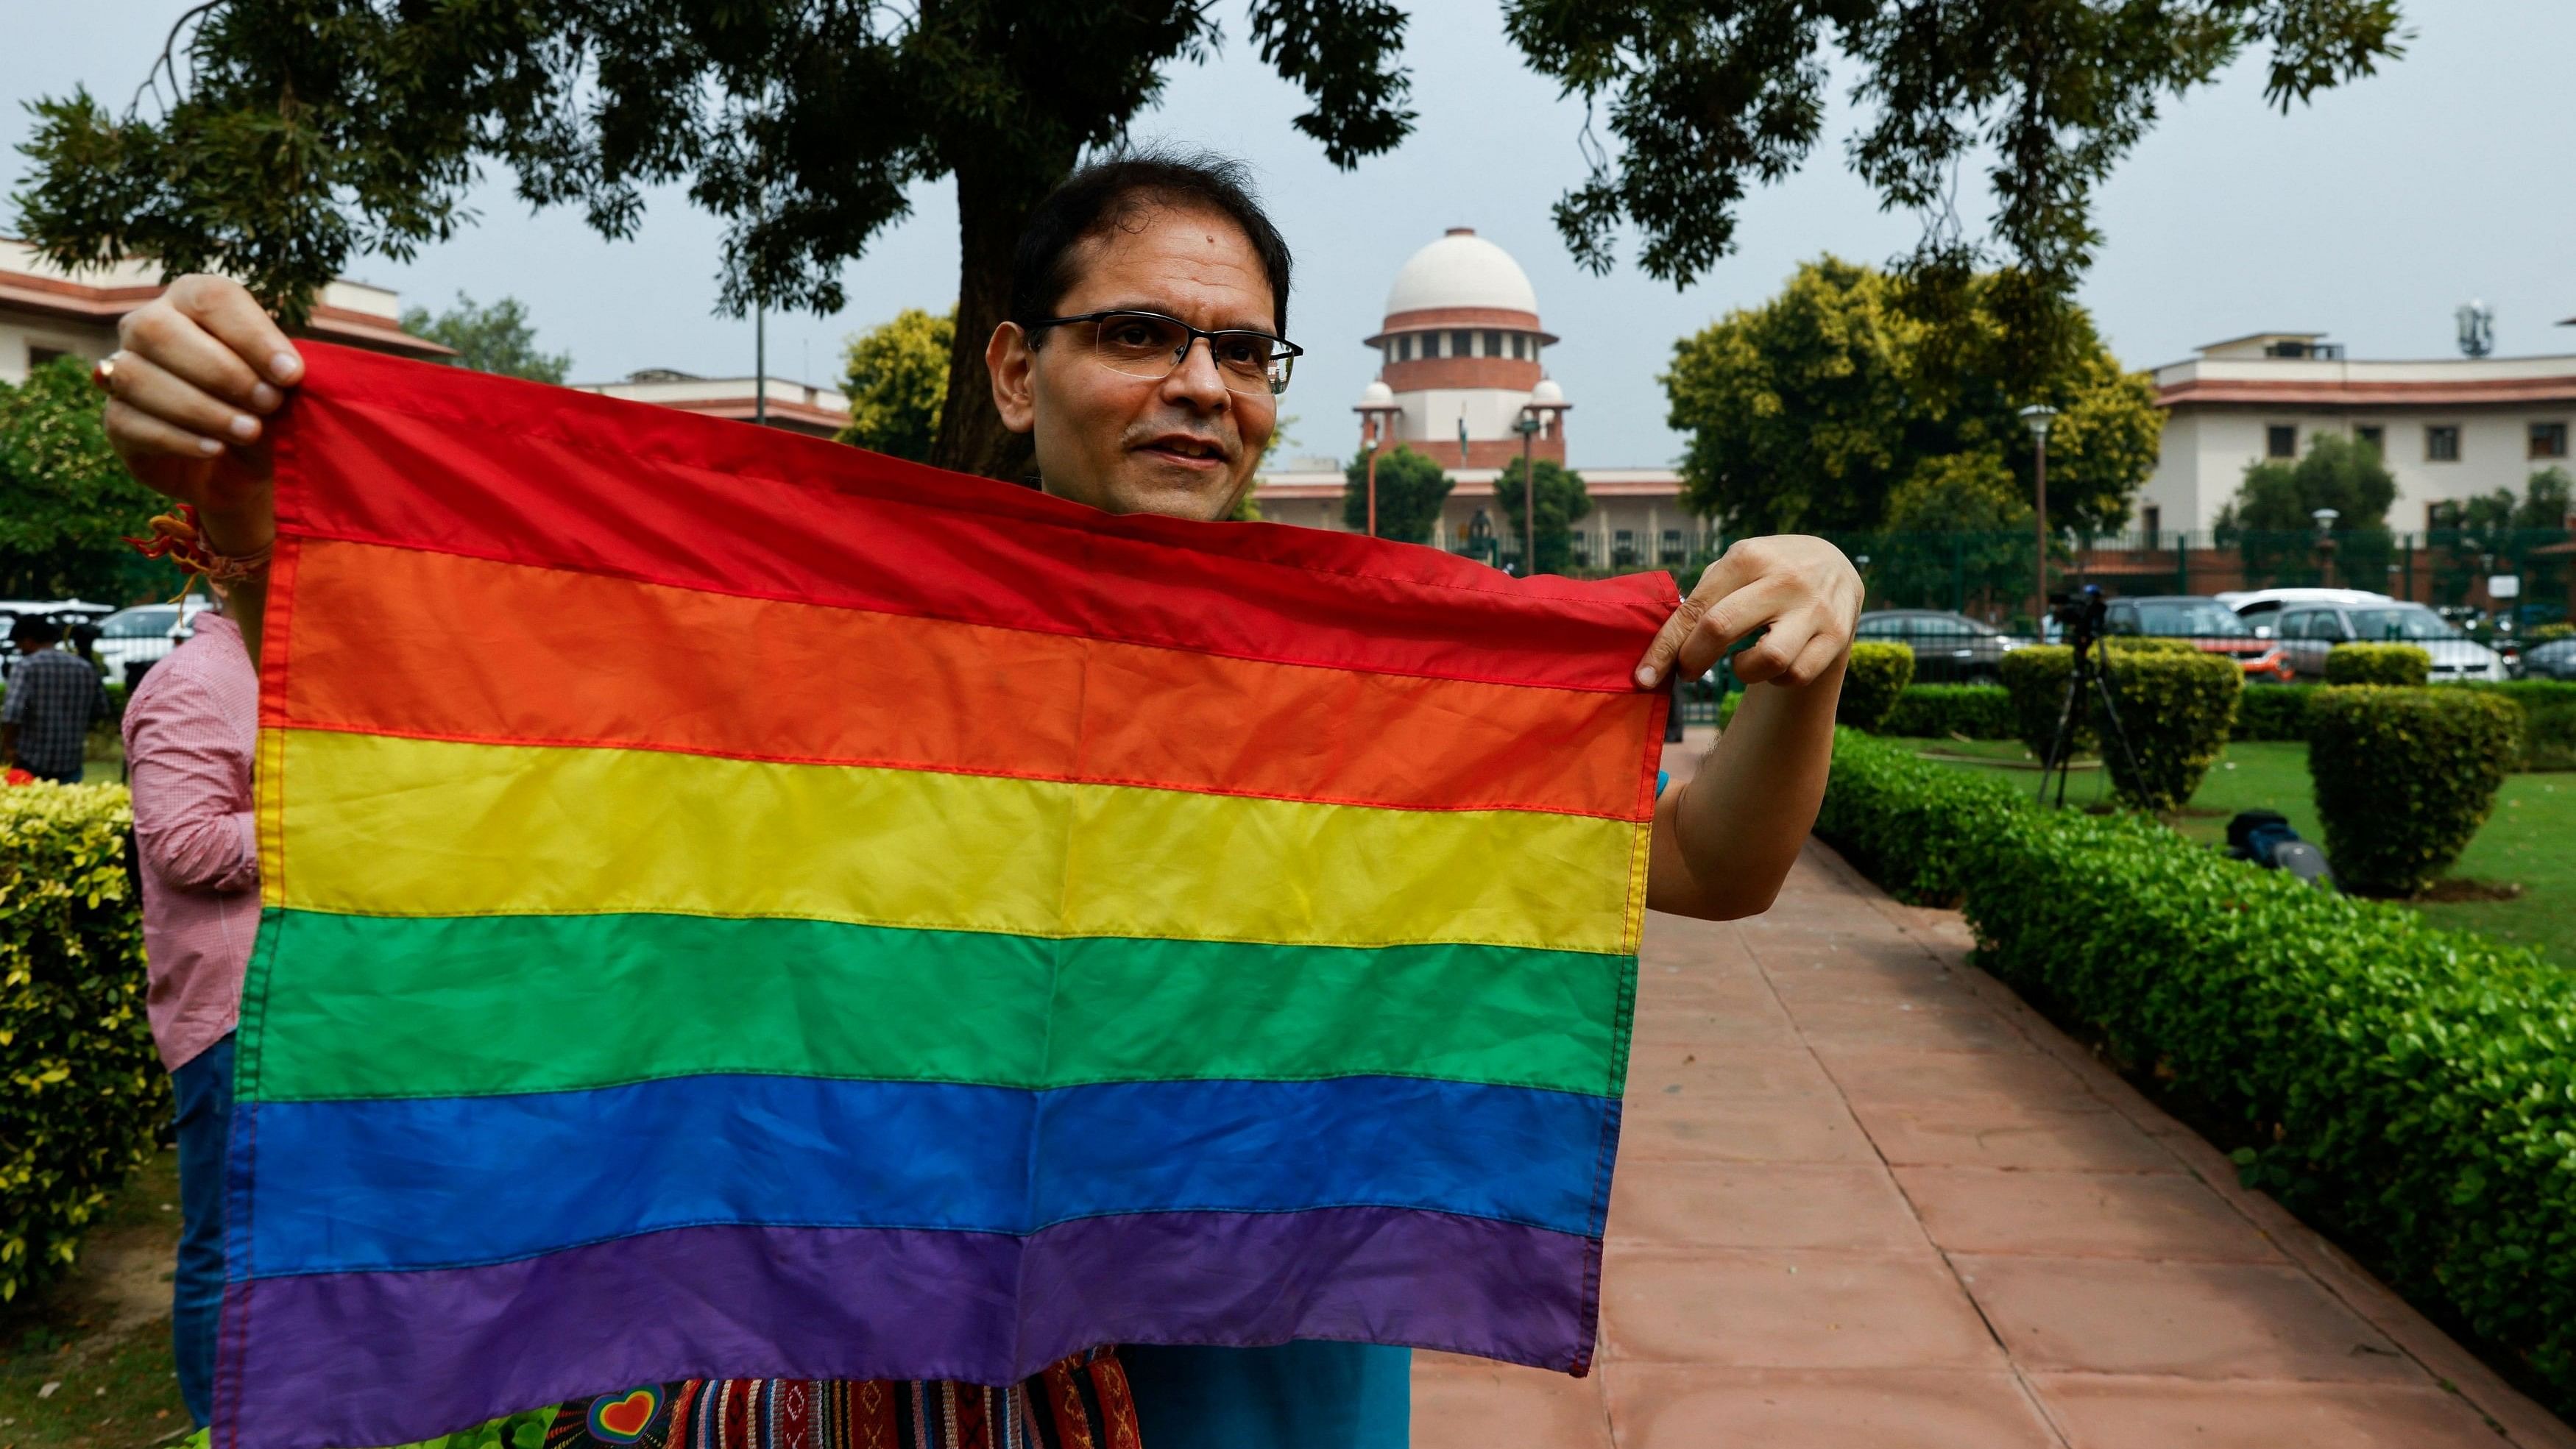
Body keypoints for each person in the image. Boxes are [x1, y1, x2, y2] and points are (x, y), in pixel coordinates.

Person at [94, 150, 1858, 1448]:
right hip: (866, 1369)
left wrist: (1810, 653)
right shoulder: (831, 652)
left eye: (1246, 353)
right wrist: (253, 502)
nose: (1200, 384)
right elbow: (474, 724)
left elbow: (1712, 861)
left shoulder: (1382, 698)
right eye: (1146, 332)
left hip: (1247, 1381)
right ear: (1018, 372)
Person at [118, 587, 261, 1428]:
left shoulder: (287, 672)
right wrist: (336, 813)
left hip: (314, 1003)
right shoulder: (197, 680)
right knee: (229, 1242)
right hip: (235, 1015)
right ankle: (225, 1425)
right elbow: (185, 844)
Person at [3, 614, 109, 784]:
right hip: (70, 761)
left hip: (30, 760)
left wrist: (8, 748)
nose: (20, 650)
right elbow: (101, 709)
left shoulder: (25, 667)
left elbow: (12, 713)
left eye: (19, 645)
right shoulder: (85, 667)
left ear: (28, 641)